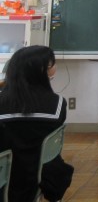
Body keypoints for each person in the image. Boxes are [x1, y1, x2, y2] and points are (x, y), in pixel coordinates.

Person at [0, 45, 74, 202]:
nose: (55, 67)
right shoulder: (56, 104)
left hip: (3, 179)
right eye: (52, 64)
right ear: (42, 70)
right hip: (39, 177)